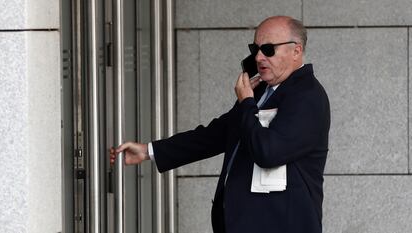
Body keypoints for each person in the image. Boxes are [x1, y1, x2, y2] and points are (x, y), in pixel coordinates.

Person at [110, 15, 330, 233]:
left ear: (296, 51)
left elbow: (269, 152)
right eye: (256, 49)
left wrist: (246, 103)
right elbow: (216, 135)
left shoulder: (307, 97)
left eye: (269, 50)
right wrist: (149, 151)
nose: (259, 58)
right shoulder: (262, 91)